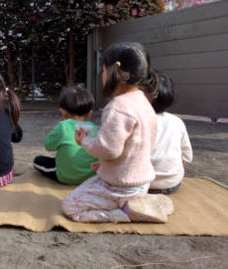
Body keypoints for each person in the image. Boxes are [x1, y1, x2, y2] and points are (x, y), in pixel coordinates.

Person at [62, 42, 173, 223]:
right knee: (87, 186)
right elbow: (137, 147)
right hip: (141, 183)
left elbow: (108, 149)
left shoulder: (118, 107)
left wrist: (84, 142)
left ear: (113, 72)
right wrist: (106, 165)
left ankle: (122, 213)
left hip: (119, 186)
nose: (102, 75)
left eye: (103, 70)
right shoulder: (144, 102)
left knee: (70, 205)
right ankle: (138, 203)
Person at [33, 86, 99, 184]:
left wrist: (57, 127)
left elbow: (48, 146)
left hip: (66, 176)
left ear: (63, 111)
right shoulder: (94, 127)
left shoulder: (62, 126)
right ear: (90, 113)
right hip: (90, 176)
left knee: (37, 161)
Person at [149, 70, 193, 194]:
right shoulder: (177, 122)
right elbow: (188, 157)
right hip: (172, 182)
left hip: (141, 184)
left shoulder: (137, 121)